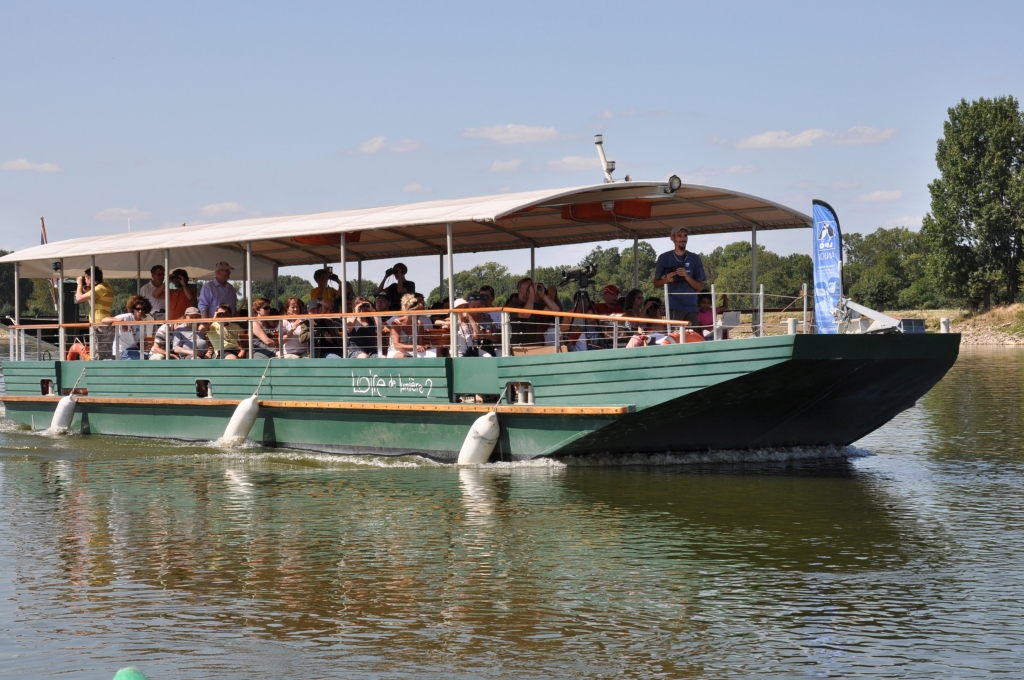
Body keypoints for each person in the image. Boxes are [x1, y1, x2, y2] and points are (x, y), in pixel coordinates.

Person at [654, 226, 705, 326]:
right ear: (672, 238)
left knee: (692, 339)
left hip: (692, 307)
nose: (683, 238)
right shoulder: (664, 258)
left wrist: (687, 276)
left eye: (685, 236)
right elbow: (656, 283)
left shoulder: (695, 258)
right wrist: (667, 279)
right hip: (674, 307)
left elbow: (700, 287)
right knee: (675, 338)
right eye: (679, 235)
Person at [506, 277, 560, 347]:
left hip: (534, 346)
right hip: (518, 347)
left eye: (532, 287)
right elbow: (526, 314)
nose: (532, 290)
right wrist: (532, 294)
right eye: (529, 288)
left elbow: (555, 310)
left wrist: (543, 295)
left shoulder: (534, 305)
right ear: (520, 290)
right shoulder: (512, 305)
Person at [76, 266, 116, 359]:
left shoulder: (100, 288)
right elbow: (93, 305)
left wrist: (79, 285)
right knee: (101, 353)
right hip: (100, 324)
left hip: (101, 325)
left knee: (100, 354)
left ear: (90, 277)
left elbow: (79, 298)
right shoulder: (103, 287)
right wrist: (87, 289)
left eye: (86, 278)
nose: (85, 281)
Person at [101, 295, 152, 360]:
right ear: (133, 309)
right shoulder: (126, 317)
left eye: (143, 309)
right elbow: (104, 320)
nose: (140, 311)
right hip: (122, 350)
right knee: (140, 358)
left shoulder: (142, 323)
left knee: (150, 357)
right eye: (138, 309)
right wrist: (122, 322)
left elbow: (143, 340)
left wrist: (145, 352)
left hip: (134, 350)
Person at [388, 293, 434, 358]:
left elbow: (420, 344)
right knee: (402, 356)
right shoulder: (396, 323)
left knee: (435, 352)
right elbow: (397, 346)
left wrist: (423, 347)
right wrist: (415, 347)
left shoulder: (420, 324)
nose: (420, 315)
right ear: (410, 312)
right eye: (418, 313)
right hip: (396, 352)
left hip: (413, 352)